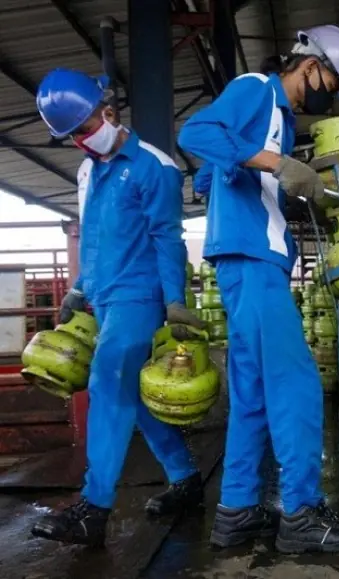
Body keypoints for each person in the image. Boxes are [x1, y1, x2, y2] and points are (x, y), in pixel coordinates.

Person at [177, 25, 339, 554]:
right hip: (252, 262)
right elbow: (196, 134)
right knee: (297, 384)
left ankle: (235, 514)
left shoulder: (279, 119)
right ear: (310, 66)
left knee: (254, 397)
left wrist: (285, 191)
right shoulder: (257, 88)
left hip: (251, 263)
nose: (328, 97)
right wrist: (279, 165)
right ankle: (301, 514)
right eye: (330, 83)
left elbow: (212, 177)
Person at [30, 68, 207, 547]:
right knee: (136, 400)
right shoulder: (88, 169)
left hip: (141, 295)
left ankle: (94, 509)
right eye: (71, 137)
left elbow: (167, 236)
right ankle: (186, 479)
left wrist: (173, 299)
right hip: (105, 297)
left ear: (108, 112)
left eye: (85, 129)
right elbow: (94, 238)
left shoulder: (155, 165)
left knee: (107, 385)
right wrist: (78, 289)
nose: (81, 142)